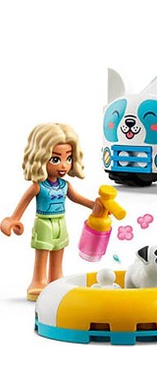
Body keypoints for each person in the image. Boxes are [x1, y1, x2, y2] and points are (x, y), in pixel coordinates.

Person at [1, 123, 101, 300]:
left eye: (68, 158)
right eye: (55, 159)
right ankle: (38, 281)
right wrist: (13, 219)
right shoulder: (37, 186)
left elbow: (78, 199)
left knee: (58, 250)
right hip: (44, 223)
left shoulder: (65, 185)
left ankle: (56, 279)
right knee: (42, 252)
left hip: (61, 222)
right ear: (40, 158)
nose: (63, 165)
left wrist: (96, 206)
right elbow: (22, 205)